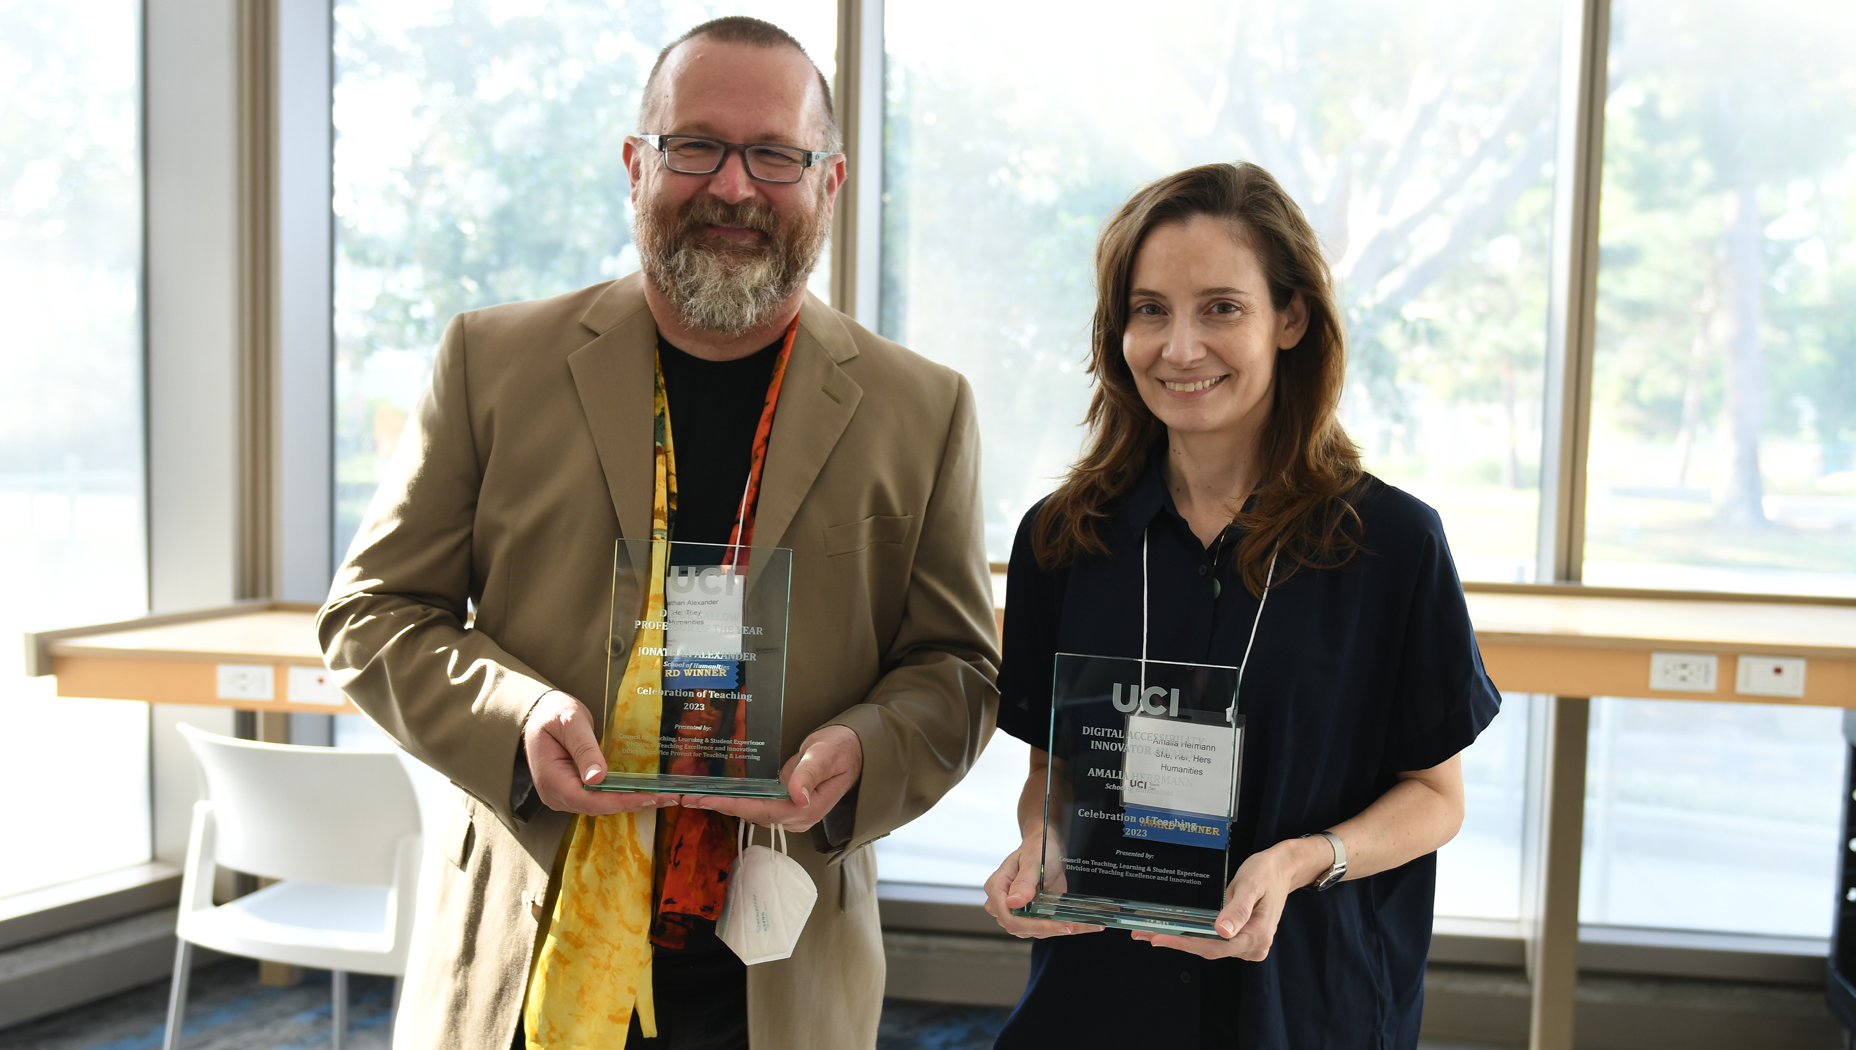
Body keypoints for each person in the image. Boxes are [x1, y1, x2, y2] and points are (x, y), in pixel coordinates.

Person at [318, 17, 998, 1050]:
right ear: (636, 164)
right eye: (694, 146)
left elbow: (957, 669)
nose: (732, 186)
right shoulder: (492, 363)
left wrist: (863, 749)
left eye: (774, 153)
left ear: (830, 180)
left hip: (781, 964)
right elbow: (370, 615)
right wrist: (518, 715)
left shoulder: (922, 408)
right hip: (529, 950)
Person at [980, 161, 1501, 1048]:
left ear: (1289, 319)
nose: (1180, 348)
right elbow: (1051, 773)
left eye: (1221, 307)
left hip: (1302, 1002)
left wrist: (1302, 862)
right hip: (1105, 994)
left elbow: (1435, 796)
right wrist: (1042, 843)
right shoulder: (1062, 539)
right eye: (1151, 310)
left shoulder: (1394, 545)